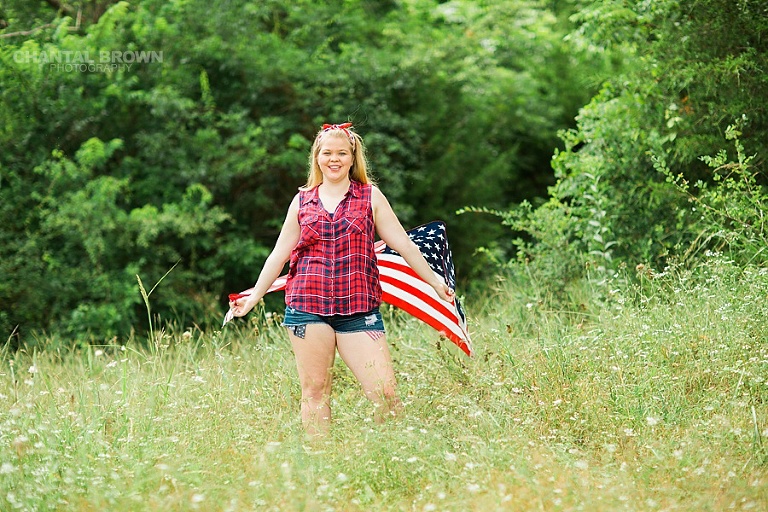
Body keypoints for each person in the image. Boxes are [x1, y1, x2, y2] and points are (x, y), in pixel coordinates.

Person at [229, 122, 454, 437]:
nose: (334, 159)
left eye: (341, 153)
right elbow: (279, 255)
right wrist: (254, 297)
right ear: (317, 157)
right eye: (327, 153)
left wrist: (434, 281)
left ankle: (388, 459)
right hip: (307, 308)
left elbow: (403, 244)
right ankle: (320, 466)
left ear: (353, 158)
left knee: (386, 395)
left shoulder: (370, 197)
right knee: (315, 393)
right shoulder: (302, 200)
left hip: (359, 311)